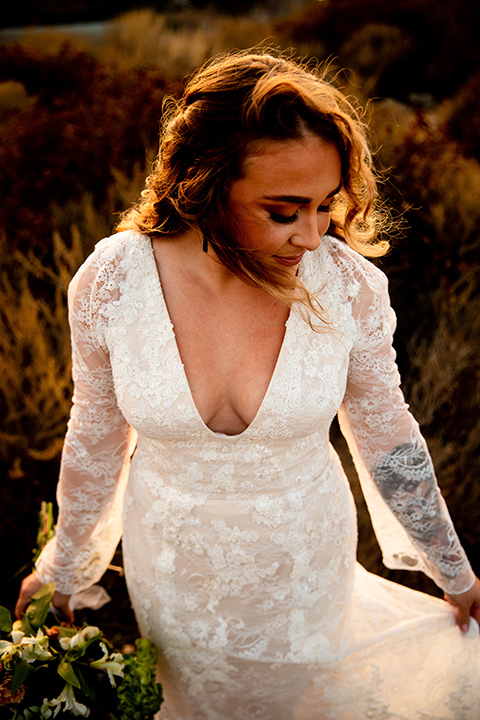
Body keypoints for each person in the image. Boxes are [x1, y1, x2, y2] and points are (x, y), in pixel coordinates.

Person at [16, 50, 480, 719]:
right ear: (205, 181)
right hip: (172, 572)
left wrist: (451, 568)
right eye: (284, 210)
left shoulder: (346, 286)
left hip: (302, 566)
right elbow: (94, 441)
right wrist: (65, 567)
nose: (314, 234)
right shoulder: (112, 283)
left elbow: (388, 437)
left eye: (326, 205)